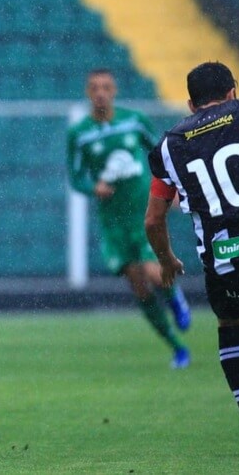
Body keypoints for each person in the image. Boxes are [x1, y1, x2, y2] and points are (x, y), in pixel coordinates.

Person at [145, 61, 239, 456]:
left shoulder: (168, 147)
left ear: (189, 104)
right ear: (233, 92)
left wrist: (167, 261)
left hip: (224, 259)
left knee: (233, 325)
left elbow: (153, 219)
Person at [67, 68, 192, 368]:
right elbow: (75, 177)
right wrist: (92, 186)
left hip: (142, 212)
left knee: (152, 272)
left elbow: (161, 154)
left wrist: (173, 191)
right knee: (138, 285)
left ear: (114, 90)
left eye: (106, 87)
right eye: (95, 87)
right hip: (113, 223)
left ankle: (175, 296)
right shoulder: (79, 133)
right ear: (88, 92)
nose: (100, 93)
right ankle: (177, 347)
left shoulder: (133, 121)